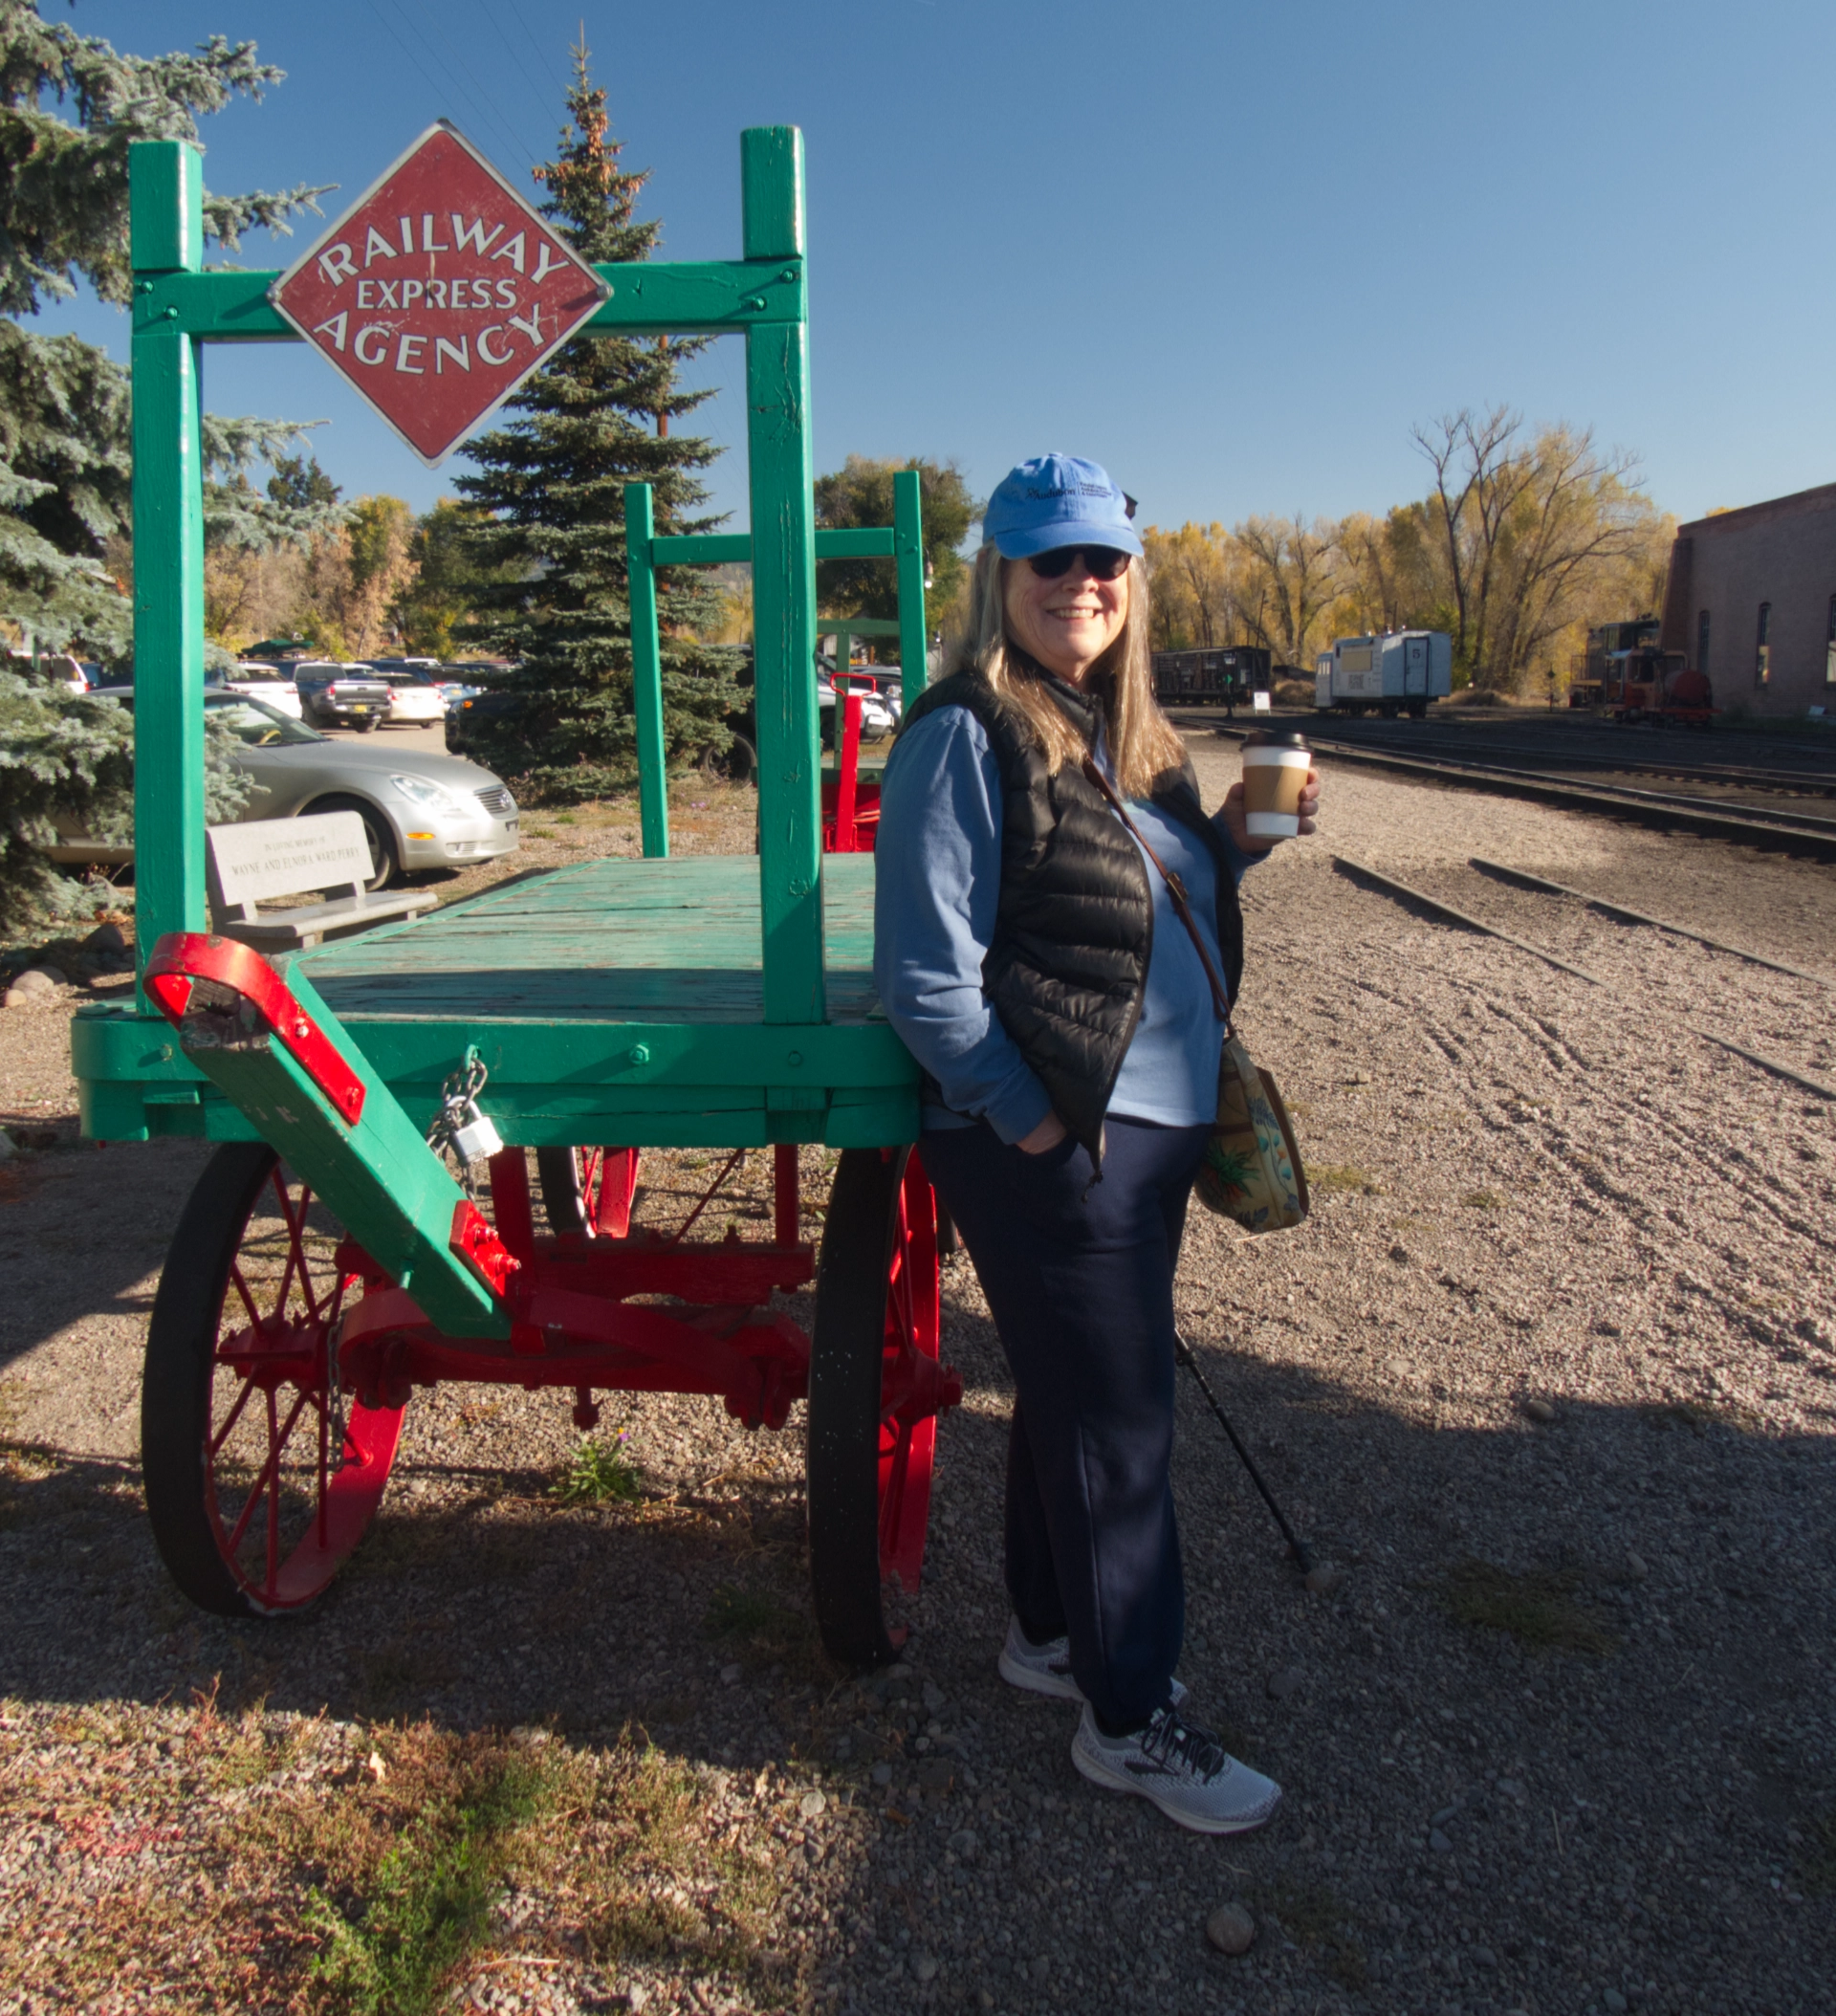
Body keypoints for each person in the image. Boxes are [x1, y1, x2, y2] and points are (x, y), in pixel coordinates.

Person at [873, 454, 1320, 1835]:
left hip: (1152, 1126)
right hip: (1066, 1136)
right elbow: (924, 975)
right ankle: (1128, 1721)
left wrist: (1241, 835)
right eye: (1050, 561)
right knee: (1121, 1422)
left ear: (1133, 579)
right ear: (999, 579)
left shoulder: (1126, 737)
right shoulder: (965, 728)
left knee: (1074, 1395)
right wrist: (1028, 1118)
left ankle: (1048, 1637)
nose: (1081, 583)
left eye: (1103, 561)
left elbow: (1123, 887)